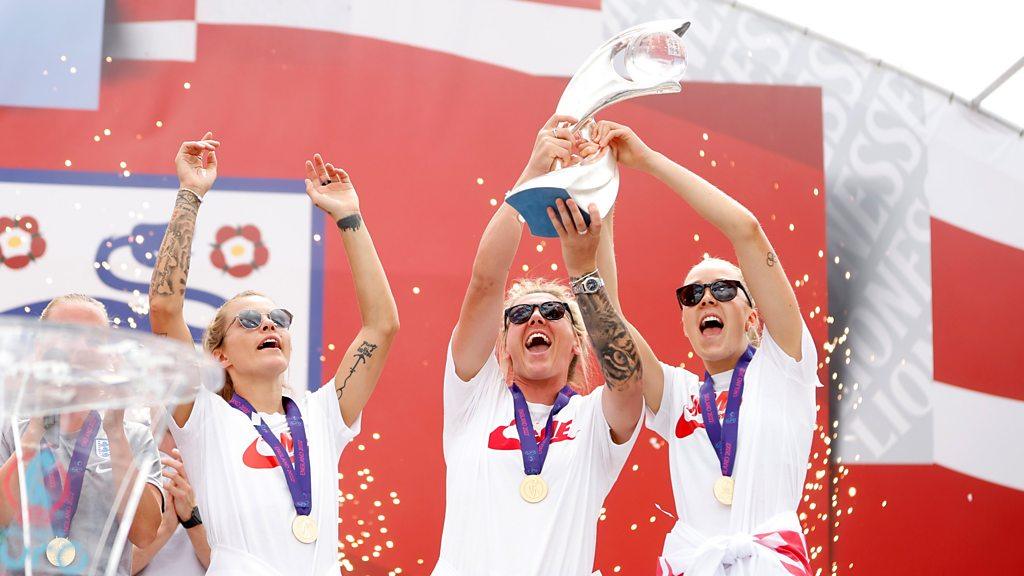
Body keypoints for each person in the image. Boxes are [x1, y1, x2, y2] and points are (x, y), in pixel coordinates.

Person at [148, 132, 399, 575]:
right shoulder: (201, 415)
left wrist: (349, 218)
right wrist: (190, 194)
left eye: (278, 319)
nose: (268, 325)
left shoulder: (323, 413)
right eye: (248, 321)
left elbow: (382, 325)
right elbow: (165, 309)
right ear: (220, 356)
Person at [589, 121, 818, 575]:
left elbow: (747, 230)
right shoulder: (678, 394)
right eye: (691, 296)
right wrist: (605, 199)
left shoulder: (786, 366)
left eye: (723, 289)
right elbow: (608, 316)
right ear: (687, 326)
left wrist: (648, 161)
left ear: (753, 317)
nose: (706, 298)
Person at [432, 115, 644, 576]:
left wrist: (598, 204)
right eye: (520, 315)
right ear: (503, 345)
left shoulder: (594, 421)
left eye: (553, 313)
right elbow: (486, 284)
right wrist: (531, 176)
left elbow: (617, 339)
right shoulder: (473, 402)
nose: (535, 318)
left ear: (576, 342)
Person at [0, 294, 164, 575]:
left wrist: (114, 432)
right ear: (39, 347)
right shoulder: (10, 429)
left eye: (92, 337)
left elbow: (145, 533)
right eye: (66, 334)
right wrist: (35, 428)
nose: (78, 346)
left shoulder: (133, 437)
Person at [131, 410, 210, 575]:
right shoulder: (125, 455)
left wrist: (190, 517)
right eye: (167, 431)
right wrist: (165, 526)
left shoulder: (224, 466)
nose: (178, 444)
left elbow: (232, 565)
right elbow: (107, 567)